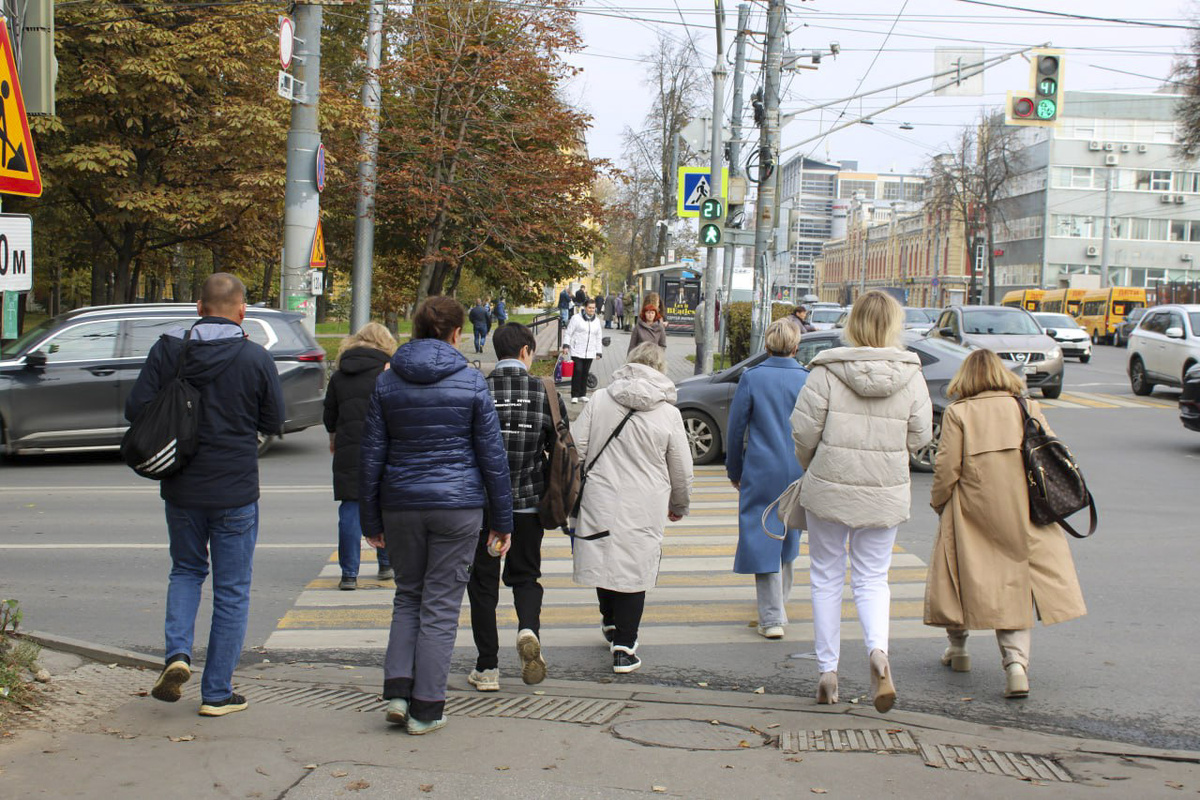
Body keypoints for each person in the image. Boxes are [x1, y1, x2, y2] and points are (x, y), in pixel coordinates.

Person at [127, 272, 284, 718]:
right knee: (232, 591)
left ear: (199, 308)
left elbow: (135, 409)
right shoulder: (254, 357)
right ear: (242, 312)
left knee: (186, 571)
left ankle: (177, 654)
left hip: (182, 486)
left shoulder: (168, 350)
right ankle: (217, 693)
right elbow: (274, 420)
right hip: (235, 489)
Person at [360, 296, 514, 735]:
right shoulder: (471, 381)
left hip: (400, 504)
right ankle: (426, 708)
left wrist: (370, 519)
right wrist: (503, 521)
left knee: (408, 596)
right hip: (458, 506)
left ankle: (397, 693)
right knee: (442, 606)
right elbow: (492, 458)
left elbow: (371, 456)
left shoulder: (387, 381)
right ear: (457, 333)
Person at [790, 290, 932, 712]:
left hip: (830, 486)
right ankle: (878, 654)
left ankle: (827, 671)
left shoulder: (826, 370)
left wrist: (812, 464)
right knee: (873, 577)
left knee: (826, 576)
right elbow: (921, 437)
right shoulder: (911, 374)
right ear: (894, 326)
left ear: (852, 324)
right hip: (885, 490)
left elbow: (803, 431)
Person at [925, 349, 1086, 699]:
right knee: (1016, 583)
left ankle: (958, 648)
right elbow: (1052, 451)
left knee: (957, 575)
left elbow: (947, 468)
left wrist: (939, 502)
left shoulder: (959, 412)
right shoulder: (1025, 406)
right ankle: (1016, 666)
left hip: (972, 510)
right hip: (1026, 508)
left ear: (966, 378)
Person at [571, 343, 693, 674]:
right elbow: (681, 469)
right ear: (661, 370)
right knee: (634, 570)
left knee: (604, 555)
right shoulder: (669, 413)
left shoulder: (600, 399)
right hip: (645, 504)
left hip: (601, 496)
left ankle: (610, 621)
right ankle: (624, 647)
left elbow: (576, 448)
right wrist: (679, 504)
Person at [467, 322, 569, 691]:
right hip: (528, 506)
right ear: (526, 351)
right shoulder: (545, 392)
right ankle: (528, 629)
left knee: (483, 584)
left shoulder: (478, 389)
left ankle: (487, 668)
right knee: (525, 577)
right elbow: (560, 445)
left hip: (484, 508)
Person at [726, 319, 808, 640]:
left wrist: (735, 471)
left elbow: (736, 431)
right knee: (789, 532)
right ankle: (781, 602)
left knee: (763, 534)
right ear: (796, 346)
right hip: (799, 467)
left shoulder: (752, 377)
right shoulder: (808, 378)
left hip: (761, 468)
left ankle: (772, 617)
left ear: (767, 345)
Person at [323, 322, 397, 590]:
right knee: (385, 505)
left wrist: (334, 437)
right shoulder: (389, 373)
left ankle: (349, 574)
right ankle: (385, 563)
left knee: (350, 509)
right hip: (383, 446)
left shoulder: (340, 374)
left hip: (349, 447)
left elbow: (329, 414)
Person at [564, 297, 603, 404]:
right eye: (589, 308)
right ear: (585, 308)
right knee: (578, 371)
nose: (591, 310)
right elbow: (568, 333)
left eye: (593, 308)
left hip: (590, 351)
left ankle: (582, 394)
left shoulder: (597, 321)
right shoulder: (576, 318)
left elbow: (598, 337)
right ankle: (574, 395)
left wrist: (598, 351)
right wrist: (566, 345)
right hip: (576, 350)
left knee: (585, 372)